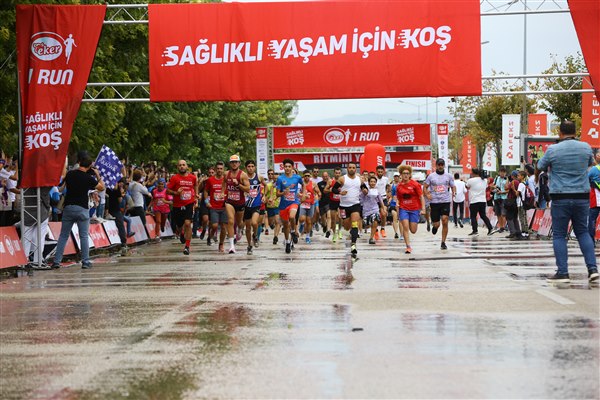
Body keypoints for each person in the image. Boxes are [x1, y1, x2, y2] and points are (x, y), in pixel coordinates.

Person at [537, 120, 598, 283]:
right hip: (582, 196)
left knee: (559, 234)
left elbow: (540, 165)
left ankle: (563, 273)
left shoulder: (553, 150)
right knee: (583, 232)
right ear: (575, 132)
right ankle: (592, 269)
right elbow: (590, 163)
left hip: (560, 196)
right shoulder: (585, 147)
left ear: (560, 133)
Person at [52, 152, 105, 269]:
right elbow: (102, 188)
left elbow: (62, 186)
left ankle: (56, 261)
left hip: (68, 207)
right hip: (82, 209)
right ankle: (85, 262)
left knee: (63, 235)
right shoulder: (89, 178)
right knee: (84, 236)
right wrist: (97, 175)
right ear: (89, 166)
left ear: (79, 162)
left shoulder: (70, 174)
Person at [167, 159, 198, 255]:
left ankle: (187, 247)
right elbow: (167, 191)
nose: (182, 166)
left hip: (189, 203)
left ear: (187, 166)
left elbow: (196, 185)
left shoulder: (192, 177)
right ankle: (181, 233)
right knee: (179, 225)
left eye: (183, 165)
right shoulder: (174, 178)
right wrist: (176, 193)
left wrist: (196, 195)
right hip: (177, 205)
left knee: (188, 223)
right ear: (177, 167)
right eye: (180, 165)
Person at [423, 158, 456, 250]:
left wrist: (454, 192)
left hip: (445, 201)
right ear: (436, 166)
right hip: (434, 202)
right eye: (439, 165)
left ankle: (443, 242)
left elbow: (453, 186)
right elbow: (425, 187)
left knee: (445, 220)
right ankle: (435, 227)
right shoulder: (431, 176)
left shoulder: (448, 176)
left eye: (442, 165)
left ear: (444, 166)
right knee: (437, 224)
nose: (440, 166)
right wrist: (427, 195)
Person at [334, 162, 362, 258]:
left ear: (355, 169)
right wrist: (340, 192)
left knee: (354, 224)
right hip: (344, 206)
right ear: (347, 169)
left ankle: (353, 245)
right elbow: (334, 189)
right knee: (346, 226)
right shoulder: (342, 179)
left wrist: (365, 190)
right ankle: (351, 232)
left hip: (355, 204)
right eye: (350, 167)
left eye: (353, 167)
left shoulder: (359, 179)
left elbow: (364, 187)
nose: (352, 169)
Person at [396, 165, 425, 254]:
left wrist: (423, 208)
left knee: (413, 230)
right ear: (401, 175)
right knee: (405, 226)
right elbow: (398, 198)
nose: (406, 175)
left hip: (414, 209)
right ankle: (408, 246)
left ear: (410, 175)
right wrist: (397, 204)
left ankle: (412, 221)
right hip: (403, 208)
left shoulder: (415, 184)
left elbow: (421, 196)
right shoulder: (399, 186)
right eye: (404, 173)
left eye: (407, 173)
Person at [276, 158, 303, 254]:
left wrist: (303, 194)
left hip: (294, 202)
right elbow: (277, 194)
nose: (287, 168)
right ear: (283, 167)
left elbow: (304, 185)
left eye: (289, 166)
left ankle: (293, 231)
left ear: (292, 167)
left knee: (292, 217)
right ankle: (287, 242)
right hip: (283, 205)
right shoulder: (280, 179)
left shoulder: (297, 177)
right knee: (285, 225)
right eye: (286, 166)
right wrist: (283, 193)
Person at [225, 155, 250, 252]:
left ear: (239, 163)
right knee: (231, 221)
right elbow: (223, 183)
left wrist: (238, 185)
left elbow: (248, 189)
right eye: (232, 162)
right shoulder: (226, 174)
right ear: (230, 163)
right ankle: (232, 246)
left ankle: (240, 229)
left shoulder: (243, 175)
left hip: (240, 202)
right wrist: (223, 192)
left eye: (236, 162)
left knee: (239, 223)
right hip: (229, 202)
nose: (234, 164)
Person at [204, 161, 228, 253]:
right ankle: (210, 236)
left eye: (221, 168)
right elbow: (206, 191)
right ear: (215, 169)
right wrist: (206, 202)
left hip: (224, 207)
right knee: (214, 226)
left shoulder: (226, 179)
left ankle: (221, 244)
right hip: (214, 207)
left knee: (223, 227)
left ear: (223, 169)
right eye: (218, 168)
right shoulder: (210, 180)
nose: (219, 170)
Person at [106, 178, 133, 253]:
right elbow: (120, 200)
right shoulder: (117, 190)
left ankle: (121, 243)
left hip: (108, 210)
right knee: (121, 226)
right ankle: (123, 243)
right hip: (115, 210)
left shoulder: (107, 187)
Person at [244, 160, 264, 255]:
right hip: (246, 205)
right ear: (246, 168)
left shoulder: (259, 177)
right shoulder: (243, 177)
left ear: (255, 167)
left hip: (256, 204)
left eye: (252, 166)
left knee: (254, 222)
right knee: (248, 228)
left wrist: (264, 196)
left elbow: (266, 186)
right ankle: (249, 246)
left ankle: (255, 235)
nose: (250, 168)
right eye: (249, 166)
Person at [466, 168, 494, 236]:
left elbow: (467, 186)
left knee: (473, 216)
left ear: (473, 173)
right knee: (483, 215)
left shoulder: (470, 180)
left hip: (474, 201)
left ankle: (475, 231)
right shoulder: (484, 180)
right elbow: (486, 187)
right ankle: (490, 228)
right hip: (482, 200)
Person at [360, 176, 385, 245]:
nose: (373, 183)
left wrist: (383, 208)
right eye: (371, 181)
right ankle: (366, 229)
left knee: (375, 221)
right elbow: (363, 193)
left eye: (374, 182)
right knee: (367, 224)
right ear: (369, 183)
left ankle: (371, 238)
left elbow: (380, 200)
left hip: (375, 209)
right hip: (366, 210)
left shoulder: (377, 191)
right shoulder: (365, 190)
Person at [299, 170, 321, 244]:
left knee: (309, 221)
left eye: (308, 176)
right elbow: (297, 192)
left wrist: (317, 197)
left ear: (310, 176)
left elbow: (319, 192)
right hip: (303, 203)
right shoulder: (300, 184)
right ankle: (302, 224)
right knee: (302, 219)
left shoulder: (313, 184)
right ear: (303, 176)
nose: (307, 177)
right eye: (305, 176)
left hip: (311, 204)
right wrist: (300, 195)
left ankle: (307, 236)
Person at [264, 169, 281, 245]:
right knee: (271, 222)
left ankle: (275, 237)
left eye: (278, 179)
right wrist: (268, 200)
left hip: (278, 206)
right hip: (270, 206)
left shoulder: (281, 186)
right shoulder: (268, 185)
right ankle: (271, 225)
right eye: (275, 178)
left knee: (278, 221)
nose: (276, 180)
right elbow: (264, 196)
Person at [327, 167, 343, 242]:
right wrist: (330, 190)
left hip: (341, 202)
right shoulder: (330, 181)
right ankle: (334, 234)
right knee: (333, 219)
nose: (337, 174)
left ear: (341, 173)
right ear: (334, 173)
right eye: (336, 173)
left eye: (339, 173)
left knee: (340, 217)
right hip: (333, 201)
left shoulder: (343, 181)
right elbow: (325, 190)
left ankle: (339, 230)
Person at [491, 167, 509, 232]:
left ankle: (503, 226)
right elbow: (492, 187)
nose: (502, 173)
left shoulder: (507, 179)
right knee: (498, 213)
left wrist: (502, 192)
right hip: (496, 197)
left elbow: (509, 190)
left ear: (505, 173)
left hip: (504, 198)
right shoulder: (496, 178)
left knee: (503, 214)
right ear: (499, 172)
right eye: (501, 172)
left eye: (503, 172)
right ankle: (501, 227)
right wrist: (494, 187)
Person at [375, 165, 389, 237]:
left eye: (381, 172)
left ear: (383, 172)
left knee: (384, 214)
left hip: (383, 198)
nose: (380, 173)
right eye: (379, 172)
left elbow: (388, 188)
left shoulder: (386, 179)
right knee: (375, 216)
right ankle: (375, 230)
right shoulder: (374, 179)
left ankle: (382, 228)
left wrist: (388, 196)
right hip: (375, 200)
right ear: (376, 172)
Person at [387, 172, 401, 239]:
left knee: (400, 219)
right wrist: (389, 200)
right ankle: (396, 233)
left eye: (397, 176)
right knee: (394, 217)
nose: (396, 178)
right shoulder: (391, 185)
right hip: (393, 203)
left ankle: (402, 234)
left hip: (401, 204)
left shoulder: (402, 184)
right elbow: (390, 195)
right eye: (395, 176)